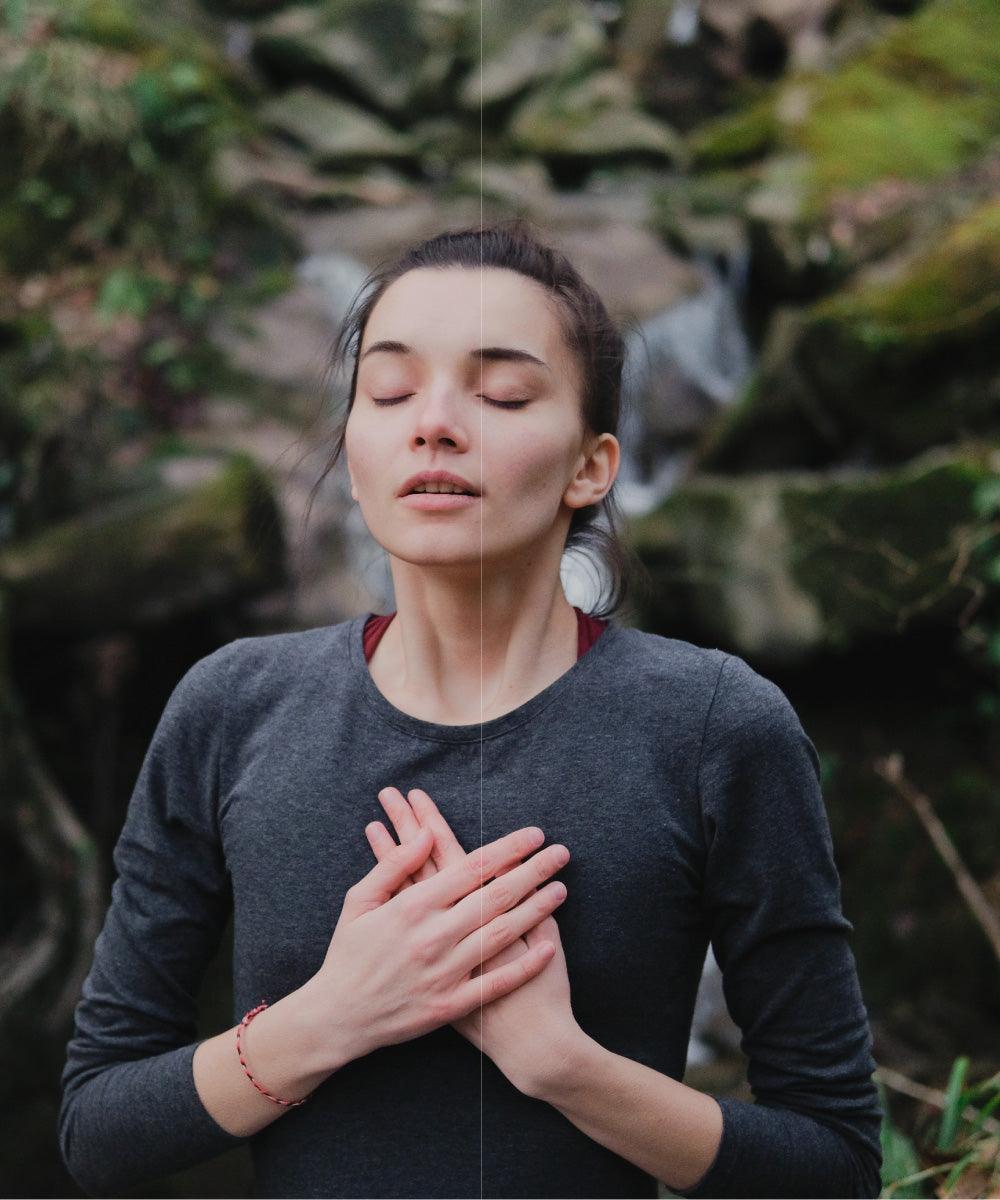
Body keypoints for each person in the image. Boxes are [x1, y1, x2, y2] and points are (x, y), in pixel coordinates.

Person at [60, 223, 882, 1199]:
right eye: (390, 391)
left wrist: (563, 1067)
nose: (435, 423)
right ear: (354, 451)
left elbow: (835, 1165)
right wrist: (331, 1018)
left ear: (592, 467)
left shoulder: (712, 728)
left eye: (501, 395)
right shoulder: (233, 708)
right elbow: (98, 1130)